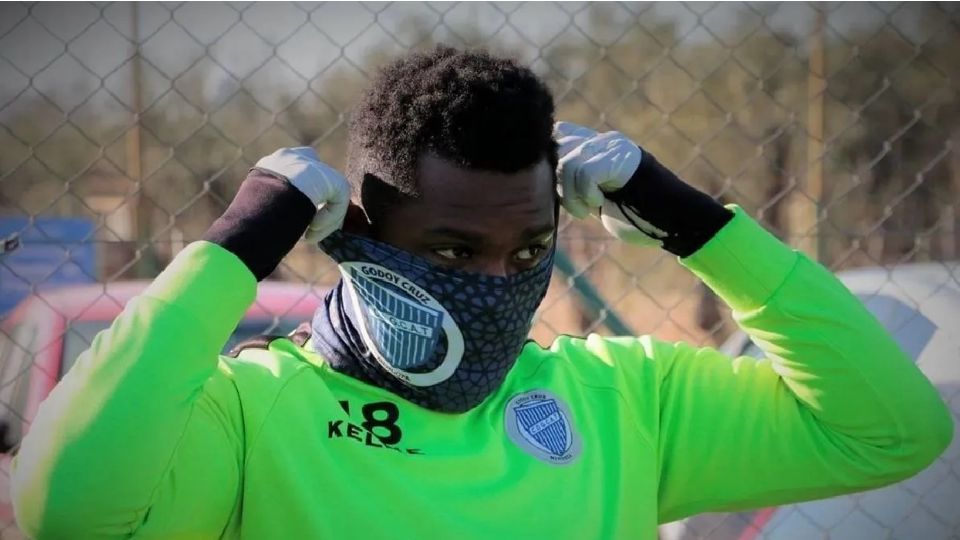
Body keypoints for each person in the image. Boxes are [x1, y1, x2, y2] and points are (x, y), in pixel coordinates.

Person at [11, 46, 952, 539]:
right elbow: (71, 512)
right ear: (357, 236)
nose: (500, 282)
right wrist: (237, 245)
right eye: (454, 252)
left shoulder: (625, 401)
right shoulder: (252, 416)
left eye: (530, 248)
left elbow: (890, 430)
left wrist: (693, 221)